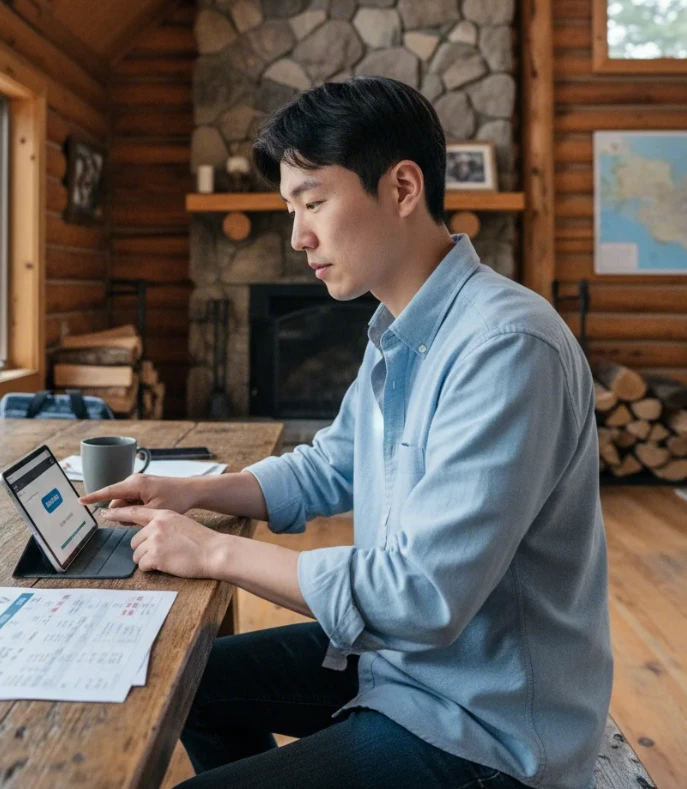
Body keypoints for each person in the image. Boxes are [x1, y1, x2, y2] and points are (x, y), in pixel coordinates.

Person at [80, 76, 612, 789]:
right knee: (181, 676)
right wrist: (183, 491)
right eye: (290, 208)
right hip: (405, 668)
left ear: (401, 188)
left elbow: (421, 595)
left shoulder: (507, 346)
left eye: (314, 202)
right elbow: (332, 464)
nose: (298, 236)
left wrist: (212, 550)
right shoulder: (401, 327)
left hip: (488, 723)